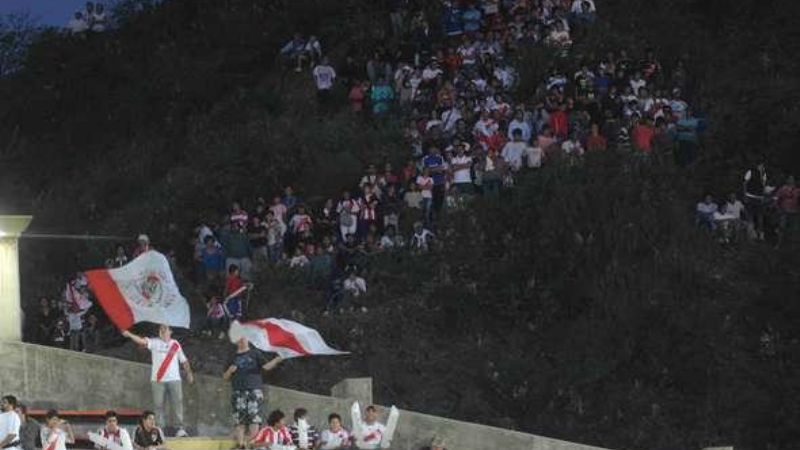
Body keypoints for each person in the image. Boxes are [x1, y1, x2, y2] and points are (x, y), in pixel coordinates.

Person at [122, 325, 194, 437]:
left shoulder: (175, 344)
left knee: (177, 404)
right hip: (158, 380)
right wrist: (129, 334)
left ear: (170, 331)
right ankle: (160, 429)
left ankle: (179, 429)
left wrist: (189, 373)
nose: (162, 331)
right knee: (158, 405)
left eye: (165, 329)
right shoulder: (154, 342)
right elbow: (142, 341)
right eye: (161, 329)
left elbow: (184, 360)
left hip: (174, 379)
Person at [223, 337, 283, 450]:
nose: (241, 341)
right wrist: (230, 371)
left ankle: (251, 444)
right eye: (239, 339)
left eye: (244, 339)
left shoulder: (255, 353)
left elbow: (265, 366)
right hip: (238, 391)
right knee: (239, 420)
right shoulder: (232, 356)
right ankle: (240, 445)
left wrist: (277, 359)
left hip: (254, 390)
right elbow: (225, 377)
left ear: (248, 340)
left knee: (254, 419)